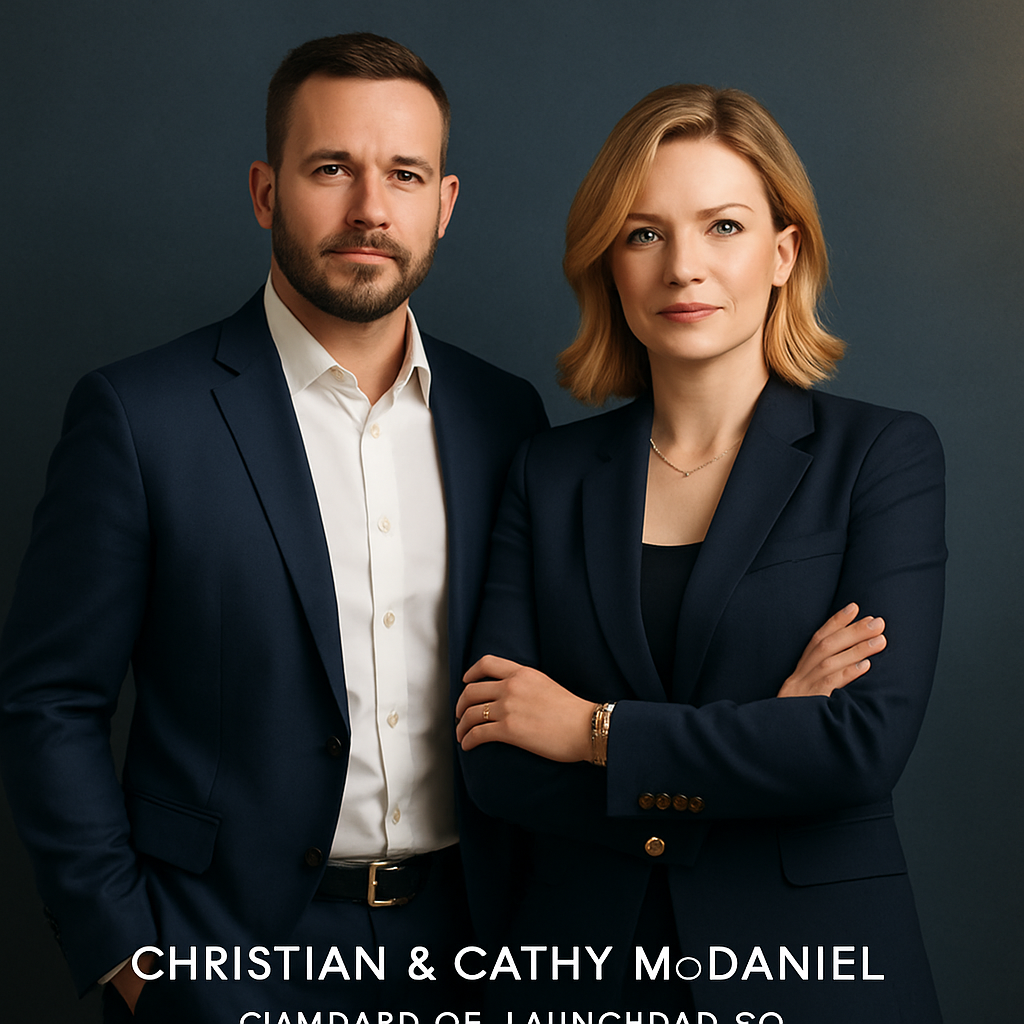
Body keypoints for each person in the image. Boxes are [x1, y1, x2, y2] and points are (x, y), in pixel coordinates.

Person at [0, 32, 546, 1023]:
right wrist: (130, 952)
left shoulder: (505, 418)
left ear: (444, 204)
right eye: (331, 168)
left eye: (404, 174)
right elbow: (48, 700)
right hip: (226, 956)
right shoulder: (139, 417)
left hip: (469, 951)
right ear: (265, 191)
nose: (371, 209)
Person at [455, 84, 944, 1022]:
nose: (684, 267)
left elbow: (858, 747)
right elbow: (497, 761)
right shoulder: (545, 474)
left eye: (722, 226)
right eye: (644, 234)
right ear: (610, 265)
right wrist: (764, 734)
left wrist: (591, 732)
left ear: (782, 253)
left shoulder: (882, 457)